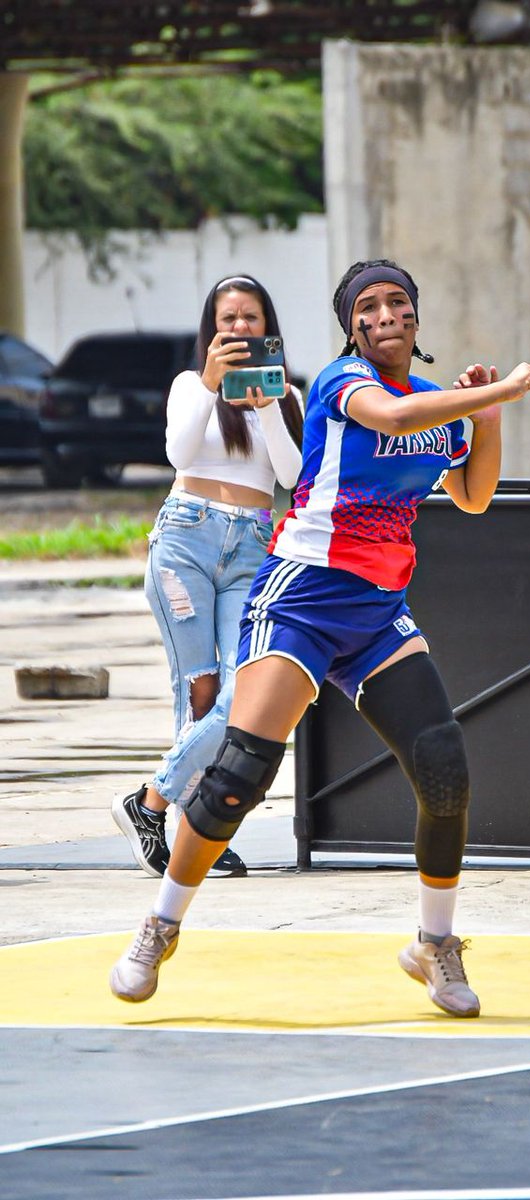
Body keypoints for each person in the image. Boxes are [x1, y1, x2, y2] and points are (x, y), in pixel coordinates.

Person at [110, 257, 530, 1015]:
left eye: (397, 303)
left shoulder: (435, 402)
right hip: (302, 595)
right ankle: (160, 925)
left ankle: (433, 945)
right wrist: (500, 389)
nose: (384, 316)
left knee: (443, 769)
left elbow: (474, 494)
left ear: (414, 316)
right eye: (368, 308)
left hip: (377, 610)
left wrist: (487, 420)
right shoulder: (341, 382)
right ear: (352, 327)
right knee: (239, 774)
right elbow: (391, 421)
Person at [111, 274, 303, 879]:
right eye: (229, 319)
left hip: (251, 549)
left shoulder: (288, 395)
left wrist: (268, 407)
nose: (240, 327)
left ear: (268, 327)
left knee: (243, 694)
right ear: (212, 330)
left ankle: (151, 803)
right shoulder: (188, 385)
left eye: (251, 317)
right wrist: (211, 384)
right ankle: (198, 830)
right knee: (198, 690)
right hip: (185, 541)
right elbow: (178, 453)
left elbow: (291, 477)